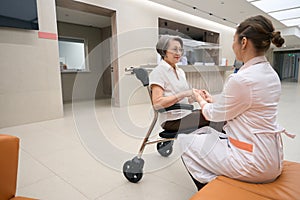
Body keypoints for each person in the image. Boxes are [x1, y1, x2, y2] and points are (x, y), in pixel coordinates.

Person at [178, 15, 295, 191]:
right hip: (272, 156)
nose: (232, 46)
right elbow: (248, 103)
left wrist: (200, 99)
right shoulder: (270, 74)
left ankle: (217, 190)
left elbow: (213, 114)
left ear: (244, 42)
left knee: (184, 142)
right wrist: (215, 100)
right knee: (206, 133)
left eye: (234, 40)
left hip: (254, 163)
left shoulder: (242, 79)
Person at [149, 35, 223, 132]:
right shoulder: (158, 72)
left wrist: (196, 96)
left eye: (180, 50)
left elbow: (184, 100)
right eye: (174, 49)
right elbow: (157, 104)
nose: (178, 53)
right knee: (214, 116)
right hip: (172, 120)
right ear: (164, 51)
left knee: (215, 113)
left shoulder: (180, 72)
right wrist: (184, 93)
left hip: (185, 114)